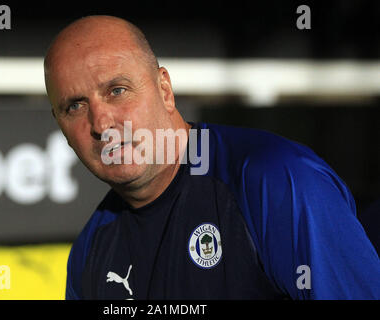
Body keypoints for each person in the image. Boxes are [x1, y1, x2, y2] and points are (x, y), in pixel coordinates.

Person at [44, 15, 380, 300]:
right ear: (60, 125)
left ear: (164, 90)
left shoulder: (274, 181)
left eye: (117, 91)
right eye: (75, 106)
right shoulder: (90, 253)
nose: (101, 124)